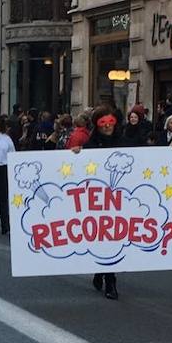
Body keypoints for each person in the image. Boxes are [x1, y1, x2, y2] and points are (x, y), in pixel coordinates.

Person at [72, 105, 123, 299]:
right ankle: (106, 277)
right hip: (97, 199)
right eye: (103, 123)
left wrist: (170, 164)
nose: (107, 126)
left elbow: (145, 159)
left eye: (110, 122)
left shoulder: (125, 142)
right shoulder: (91, 145)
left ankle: (106, 276)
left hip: (119, 199)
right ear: (96, 125)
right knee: (103, 238)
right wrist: (77, 153)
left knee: (114, 239)